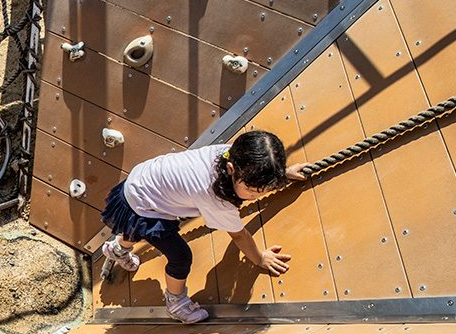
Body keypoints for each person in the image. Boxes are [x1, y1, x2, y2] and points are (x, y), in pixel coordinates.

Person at [100, 130, 308, 323]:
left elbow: (257, 168)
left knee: (136, 226)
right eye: (253, 191)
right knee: (181, 256)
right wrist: (260, 258)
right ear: (231, 170)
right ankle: (176, 303)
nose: (259, 195)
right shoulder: (215, 198)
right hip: (144, 205)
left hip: (139, 184)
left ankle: (117, 249)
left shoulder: (229, 153)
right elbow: (239, 236)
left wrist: (282, 174)